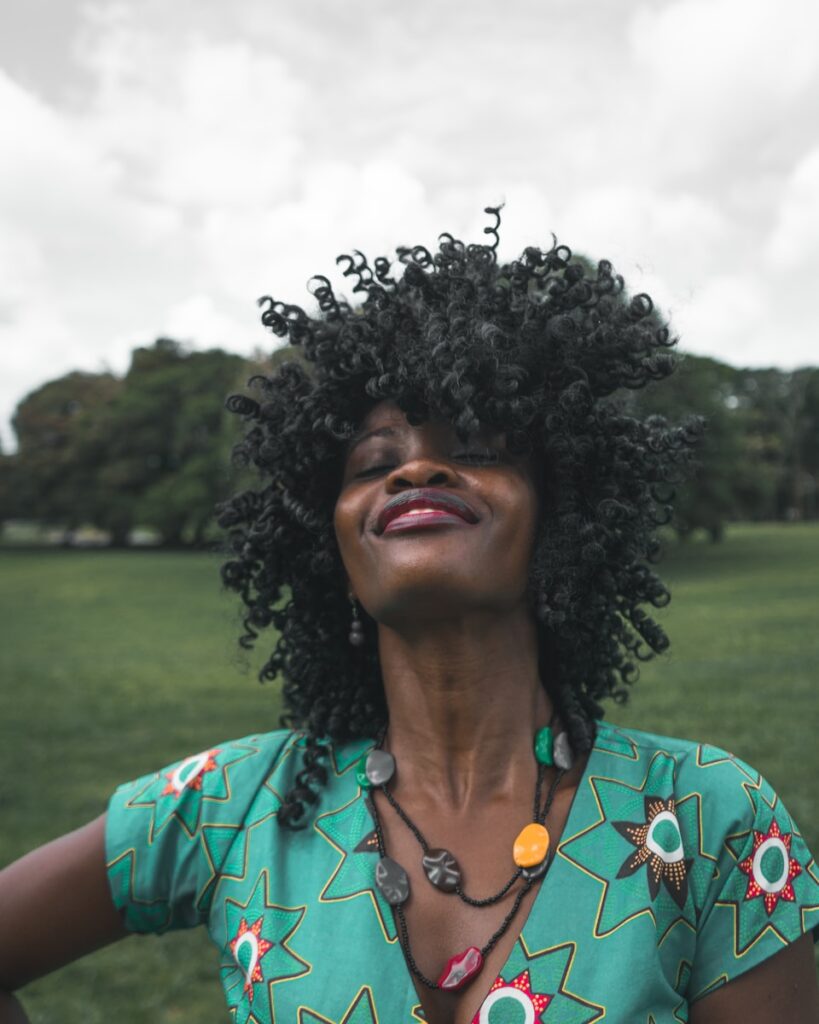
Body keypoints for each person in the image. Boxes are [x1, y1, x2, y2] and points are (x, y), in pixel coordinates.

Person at [1, 210, 817, 1024]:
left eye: (476, 447)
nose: (419, 468)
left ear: (562, 514)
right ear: (327, 545)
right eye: (373, 462)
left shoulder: (707, 815)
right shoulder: (231, 803)